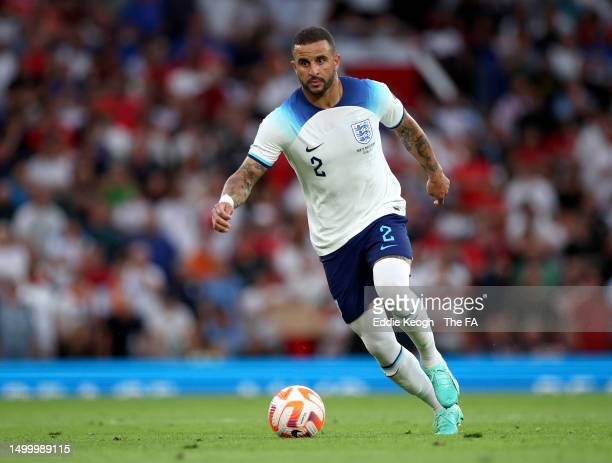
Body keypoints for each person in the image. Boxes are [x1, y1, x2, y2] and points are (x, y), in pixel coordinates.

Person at [211, 26, 462, 435]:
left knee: (392, 288)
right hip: (334, 241)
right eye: (304, 63)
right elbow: (247, 173)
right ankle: (443, 409)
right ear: (294, 67)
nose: (313, 70)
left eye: (320, 60)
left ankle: (433, 359)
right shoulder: (281, 122)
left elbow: (409, 130)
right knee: (380, 345)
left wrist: (434, 172)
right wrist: (226, 200)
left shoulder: (372, 93)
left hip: (381, 213)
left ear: (336, 61)